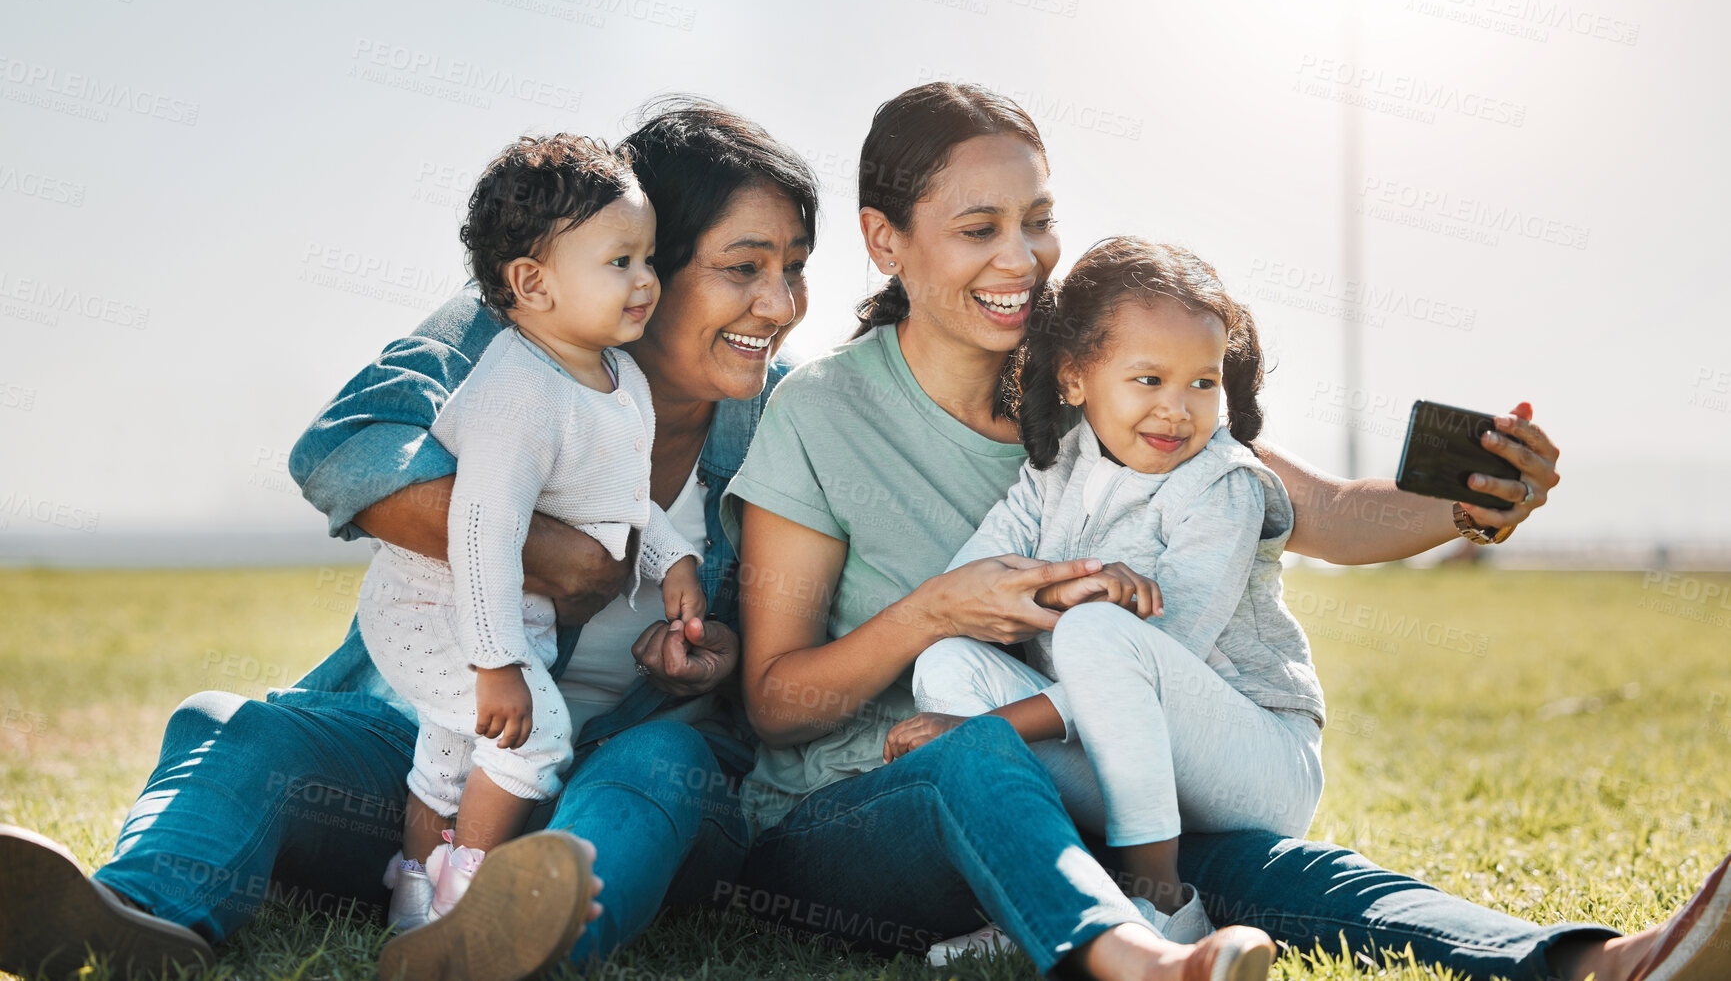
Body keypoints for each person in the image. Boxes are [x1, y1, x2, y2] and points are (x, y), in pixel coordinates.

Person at [724, 80, 1730, 981]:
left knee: (1257, 863)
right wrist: (936, 610)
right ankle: (1136, 959)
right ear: (886, 239)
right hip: (863, 811)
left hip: (1073, 781)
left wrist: (1470, 496)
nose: (1022, 259)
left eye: (1037, 220)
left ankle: (1595, 962)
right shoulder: (824, 410)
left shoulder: (1104, 378)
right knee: (974, 757)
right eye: (979, 227)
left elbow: (1318, 507)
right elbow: (776, 704)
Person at [0, 99, 819, 981]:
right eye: (743, 269)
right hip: (446, 762)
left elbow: (778, 670)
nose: (779, 306)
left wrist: (712, 658)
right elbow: (346, 448)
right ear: (640, 260)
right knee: (233, 726)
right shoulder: (513, 325)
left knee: (667, 761)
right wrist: (550, 554)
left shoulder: (786, 417)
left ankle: (509, 941)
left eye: (796, 270)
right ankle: (136, 919)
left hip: (616, 794)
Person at [898, 237, 1325, 950]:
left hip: (1253, 764)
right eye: (1148, 379)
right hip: (1116, 746)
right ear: (1074, 378)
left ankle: (1159, 899)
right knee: (945, 661)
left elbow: (1153, 668)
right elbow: (971, 589)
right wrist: (1068, 587)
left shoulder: (1223, 485)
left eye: (1202, 383)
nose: (1177, 410)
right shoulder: (1054, 470)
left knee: (1098, 634)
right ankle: (1051, 898)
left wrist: (991, 730)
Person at [362, 134, 708, 932]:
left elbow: (617, 497)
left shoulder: (616, 376)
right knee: (534, 741)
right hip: (430, 609)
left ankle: (412, 904)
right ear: (531, 283)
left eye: (648, 257)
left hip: (493, 613)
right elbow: (480, 534)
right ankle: (467, 905)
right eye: (618, 261)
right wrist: (497, 663)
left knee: (449, 757)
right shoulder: (517, 392)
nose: (646, 279)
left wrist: (673, 556)